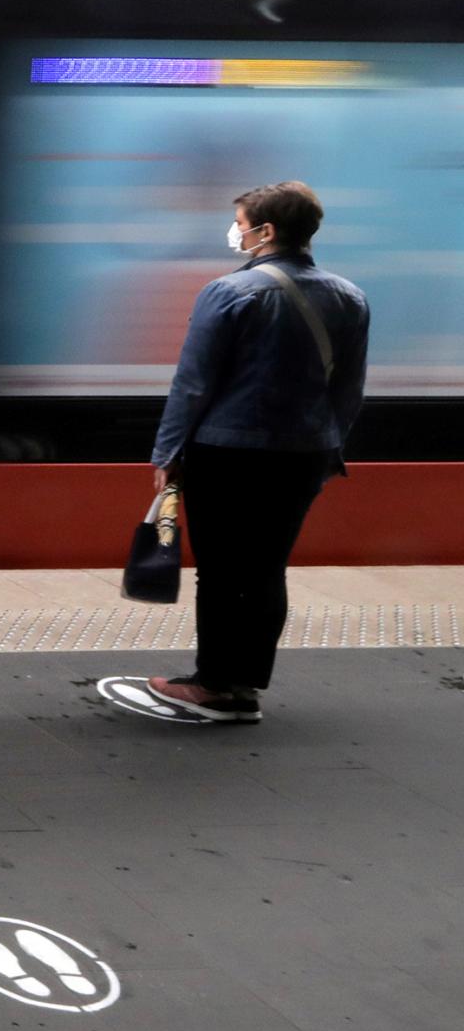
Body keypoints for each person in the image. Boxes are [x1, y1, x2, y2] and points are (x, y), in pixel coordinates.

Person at [145, 181, 368, 722]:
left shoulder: (228, 292)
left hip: (227, 452)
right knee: (268, 567)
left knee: (221, 570)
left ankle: (215, 685)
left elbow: (193, 384)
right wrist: (328, 450)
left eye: (241, 222)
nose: (236, 232)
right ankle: (245, 684)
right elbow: (349, 389)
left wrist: (166, 453)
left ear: (265, 232)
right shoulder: (349, 296)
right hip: (303, 454)